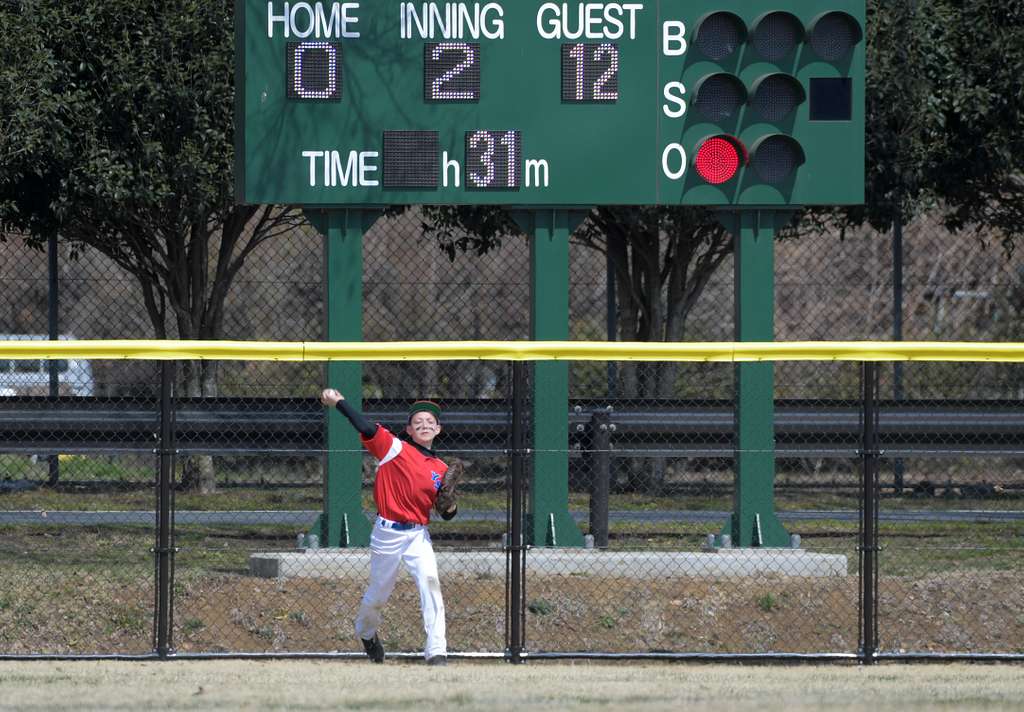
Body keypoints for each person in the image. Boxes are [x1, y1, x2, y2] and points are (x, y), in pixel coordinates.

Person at [319, 388, 459, 666]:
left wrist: (450, 504)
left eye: (430, 421)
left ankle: (436, 653)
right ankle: (367, 633)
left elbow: (447, 514)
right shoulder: (395, 448)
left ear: (439, 429)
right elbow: (365, 426)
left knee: (431, 587)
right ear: (408, 428)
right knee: (378, 595)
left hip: (418, 535)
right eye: (418, 421)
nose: (424, 425)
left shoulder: (442, 467)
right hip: (388, 533)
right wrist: (339, 403)